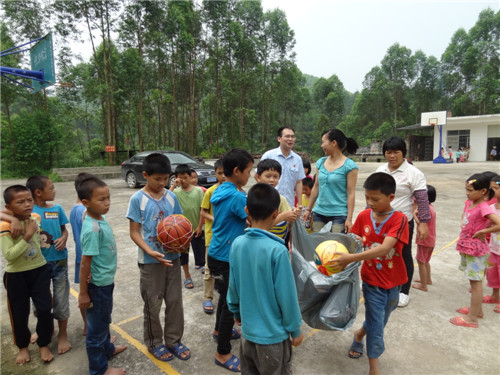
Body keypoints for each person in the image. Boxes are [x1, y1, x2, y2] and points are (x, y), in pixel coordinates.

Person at [332, 172, 409, 375]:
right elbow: (353, 240)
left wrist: (349, 259)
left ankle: (359, 334)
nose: (370, 203)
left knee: (380, 319)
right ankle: (373, 368)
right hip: (372, 280)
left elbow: (385, 249)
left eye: (375, 199)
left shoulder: (400, 220)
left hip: (394, 281)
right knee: (377, 324)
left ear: (391, 197)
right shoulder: (364, 215)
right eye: (367, 198)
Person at [227, 183, 304, 374]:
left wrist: (236, 311)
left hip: (247, 334)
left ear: (247, 211)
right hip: (273, 338)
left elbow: (233, 285)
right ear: (276, 213)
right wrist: (295, 329)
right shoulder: (277, 250)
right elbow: (287, 296)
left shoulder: (237, 244)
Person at [126, 153, 190, 362]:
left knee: (174, 301)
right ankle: (155, 343)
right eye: (157, 179)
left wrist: (184, 242)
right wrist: (149, 250)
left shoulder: (171, 197)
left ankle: (174, 341)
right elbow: (134, 231)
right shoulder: (138, 199)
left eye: (165, 179)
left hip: (172, 258)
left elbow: (180, 222)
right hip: (151, 261)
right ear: (145, 175)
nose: (162, 183)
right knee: (153, 303)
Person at [208, 148, 254, 372]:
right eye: (248, 171)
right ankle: (222, 352)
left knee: (224, 299)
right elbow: (256, 220)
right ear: (236, 171)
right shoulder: (237, 196)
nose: (250, 176)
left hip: (216, 253)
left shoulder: (220, 189)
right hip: (226, 257)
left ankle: (219, 331)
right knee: (229, 306)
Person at [77, 176, 127, 375]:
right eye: (101, 199)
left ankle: (107, 349)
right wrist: (83, 293)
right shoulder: (92, 228)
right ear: (85, 203)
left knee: (104, 319)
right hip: (97, 286)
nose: (107, 203)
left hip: (105, 281)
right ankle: (99, 370)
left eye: (108, 197)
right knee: (96, 330)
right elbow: (84, 263)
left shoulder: (99, 217)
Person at [1, 185, 54, 364]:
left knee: (45, 309)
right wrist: (26, 235)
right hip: (16, 275)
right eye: (20, 202)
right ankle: (23, 347)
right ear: (9, 207)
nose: (27, 204)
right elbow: (9, 255)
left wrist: (23, 224)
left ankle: (43, 343)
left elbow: (28, 218)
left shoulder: (35, 217)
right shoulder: (5, 225)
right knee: (19, 313)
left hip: (39, 270)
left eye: (29, 200)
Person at [376, 136, 430, 307]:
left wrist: (423, 223)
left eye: (395, 152)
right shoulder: (381, 170)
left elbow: (422, 200)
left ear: (403, 154)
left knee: (403, 255)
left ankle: (404, 291)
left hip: (402, 222)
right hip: (379, 220)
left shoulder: (413, 173)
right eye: (388, 152)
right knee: (380, 252)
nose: (391, 156)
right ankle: (382, 283)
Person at [26, 175, 72, 354]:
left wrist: (64, 238)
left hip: (60, 260)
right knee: (40, 303)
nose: (55, 190)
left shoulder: (57, 208)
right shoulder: (29, 212)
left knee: (61, 300)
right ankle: (43, 329)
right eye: (51, 188)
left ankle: (62, 334)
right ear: (38, 192)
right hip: (38, 265)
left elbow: (64, 229)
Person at [451, 174, 500, 327]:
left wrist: (484, 232)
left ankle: (472, 318)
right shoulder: (470, 203)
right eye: (466, 189)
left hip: (476, 250)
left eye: (471, 190)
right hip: (468, 248)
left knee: (476, 283)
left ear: (484, 191)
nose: (467, 193)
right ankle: (477, 310)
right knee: (473, 281)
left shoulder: (483, 207)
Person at [303, 129, 359, 234]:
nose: (321, 145)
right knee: (318, 244)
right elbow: (316, 187)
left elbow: (351, 193)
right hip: (319, 212)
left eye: (323, 142)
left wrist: (349, 219)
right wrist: (308, 209)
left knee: (336, 245)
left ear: (333, 143)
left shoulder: (350, 166)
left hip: (339, 214)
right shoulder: (321, 162)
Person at [171, 164, 205, 289]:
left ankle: (203, 267)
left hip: (196, 228)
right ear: (176, 178)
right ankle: (187, 276)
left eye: (186, 177)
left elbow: (202, 209)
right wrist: (174, 185)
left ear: (191, 177)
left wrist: (199, 225)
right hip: (181, 231)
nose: (183, 181)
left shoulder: (198, 191)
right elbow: (166, 198)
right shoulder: (175, 192)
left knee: (200, 253)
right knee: (183, 254)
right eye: (180, 178)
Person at [70, 172, 95, 336]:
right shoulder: (84, 211)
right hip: (88, 259)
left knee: (86, 294)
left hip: (82, 257)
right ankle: (92, 328)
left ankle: (88, 327)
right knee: (91, 297)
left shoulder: (74, 209)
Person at [200, 159, 225, 314]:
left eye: (225, 173)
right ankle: (207, 297)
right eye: (219, 173)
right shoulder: (210, 191)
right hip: (212, 236)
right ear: (215, 174)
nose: (222, 176)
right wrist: (215, 219)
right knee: (209, 268)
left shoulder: (237, 191)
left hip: (228, 237)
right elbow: (203, 211)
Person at [254, 159, 301, 240]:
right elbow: (257, 226)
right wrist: (282, 216)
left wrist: (294, 214)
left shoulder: (281, 199)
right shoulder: (253, 198)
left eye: (275, 177)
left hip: (279, 241)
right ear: (258, 177)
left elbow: (288, 222)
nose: (272, 180)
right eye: (268, 176)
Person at [260, 127, 306, 207]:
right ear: (279, 139)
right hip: (269, 202)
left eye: (292, 136)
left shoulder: (297, 159)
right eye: (287, 136)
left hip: (289, 203)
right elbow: (258, 176)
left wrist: (300, 203)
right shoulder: (269, 155)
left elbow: (299, 182)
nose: (290, 139)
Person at [412, 185, 437, 292]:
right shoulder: (431, 208)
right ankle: (427, 279)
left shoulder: (425, 210)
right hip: (431, 239)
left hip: (424, 239)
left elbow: (422, 223)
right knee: (426, 261)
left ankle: (423, 285)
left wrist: (414, 215)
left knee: (420, 261)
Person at [484, 175, 500, 312]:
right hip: (494, 246)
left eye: (497, 188)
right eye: (492, 188)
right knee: (492, 272)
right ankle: (495, 295)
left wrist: (486, 228)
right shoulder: (491, 207)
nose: (493, 190)